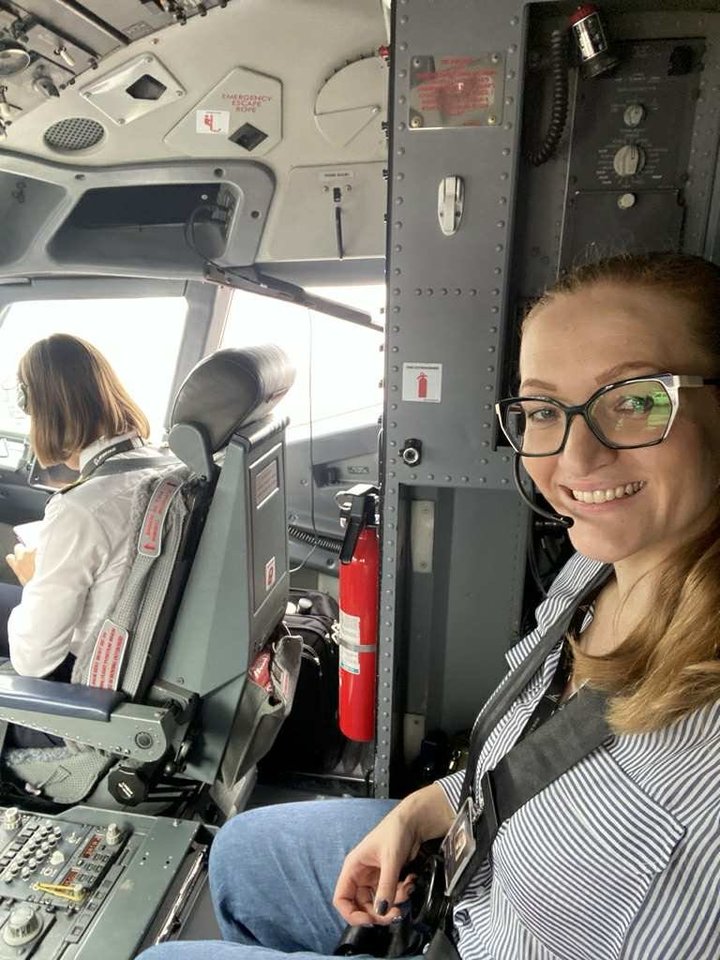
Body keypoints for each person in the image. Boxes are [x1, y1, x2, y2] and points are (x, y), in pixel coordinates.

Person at [138, 251, 720, 960]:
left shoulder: (700, 794)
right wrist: (420, 810)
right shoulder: (596, 568)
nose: (575, 460)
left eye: (635, 401)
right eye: (543, 411)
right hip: (469, 881)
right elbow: (532, 758)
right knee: (242, 854)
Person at [0, 334, 154, 745]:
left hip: (85, 689)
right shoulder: (160, 466)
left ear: (45, 411)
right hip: (128, 645)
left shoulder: (81, 509)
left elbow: (33, 661)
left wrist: (34, 580)